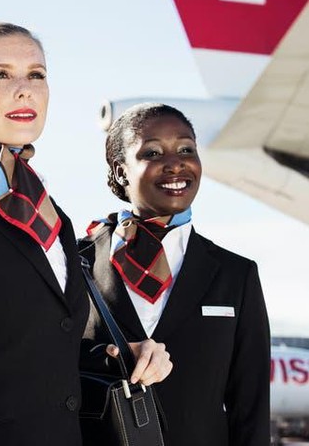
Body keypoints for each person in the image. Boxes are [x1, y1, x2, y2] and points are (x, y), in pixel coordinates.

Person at [0, 23, 171, 445]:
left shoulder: (54, 218)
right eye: (1, 74)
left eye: (36, 74)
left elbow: (42, 345)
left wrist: (122, 355)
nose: (25, 89)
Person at [81, 102, 270, 446]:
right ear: (121, 171)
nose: (175, 163)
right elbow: (45, 366)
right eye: (152, 152)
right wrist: (111, 358)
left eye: (186, 149)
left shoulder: (236, 274)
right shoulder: (77, 262)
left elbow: (251, 406)